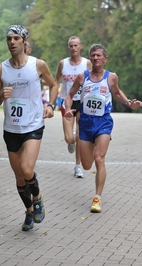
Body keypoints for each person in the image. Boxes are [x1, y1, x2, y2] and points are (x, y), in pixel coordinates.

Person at [0, 25, 58, 231]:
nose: (11, 42)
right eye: (9, 38)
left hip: (33, 125)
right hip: (11, 128)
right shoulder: (0, 70)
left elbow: (53, 85)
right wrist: (1, 96)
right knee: (19, 177)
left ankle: (37, 198)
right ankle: (29, 210)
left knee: (27, 169)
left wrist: (51, 105)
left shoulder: (38, 65)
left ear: (24, 41)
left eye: (16, 38)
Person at [64, 43, 142, 213]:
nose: (95, 58)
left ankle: (97, 199)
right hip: (85, 123)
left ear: (105, 58)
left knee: (99, 158)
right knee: (87, 165)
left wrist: (130, 103)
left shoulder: (111, 77)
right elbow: (70, 95)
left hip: (103, 122)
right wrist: (68, 110)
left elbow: (117, 92)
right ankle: (90, 144)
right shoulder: (82, 77)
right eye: (93, 55)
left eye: (99, 55)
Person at [55, 36, 92, 178]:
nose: (73, 48)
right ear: (68, 47)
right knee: (69, 137)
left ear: (81, 47)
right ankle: (71, 142)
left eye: (76, 45)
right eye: (71, 46)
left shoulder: (87, 63)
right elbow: (56, 80)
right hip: (67, 101)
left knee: (80, 137)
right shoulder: (63, 63)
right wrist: (54, 97)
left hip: (82, 102)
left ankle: (78, 166)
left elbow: (93, 79)